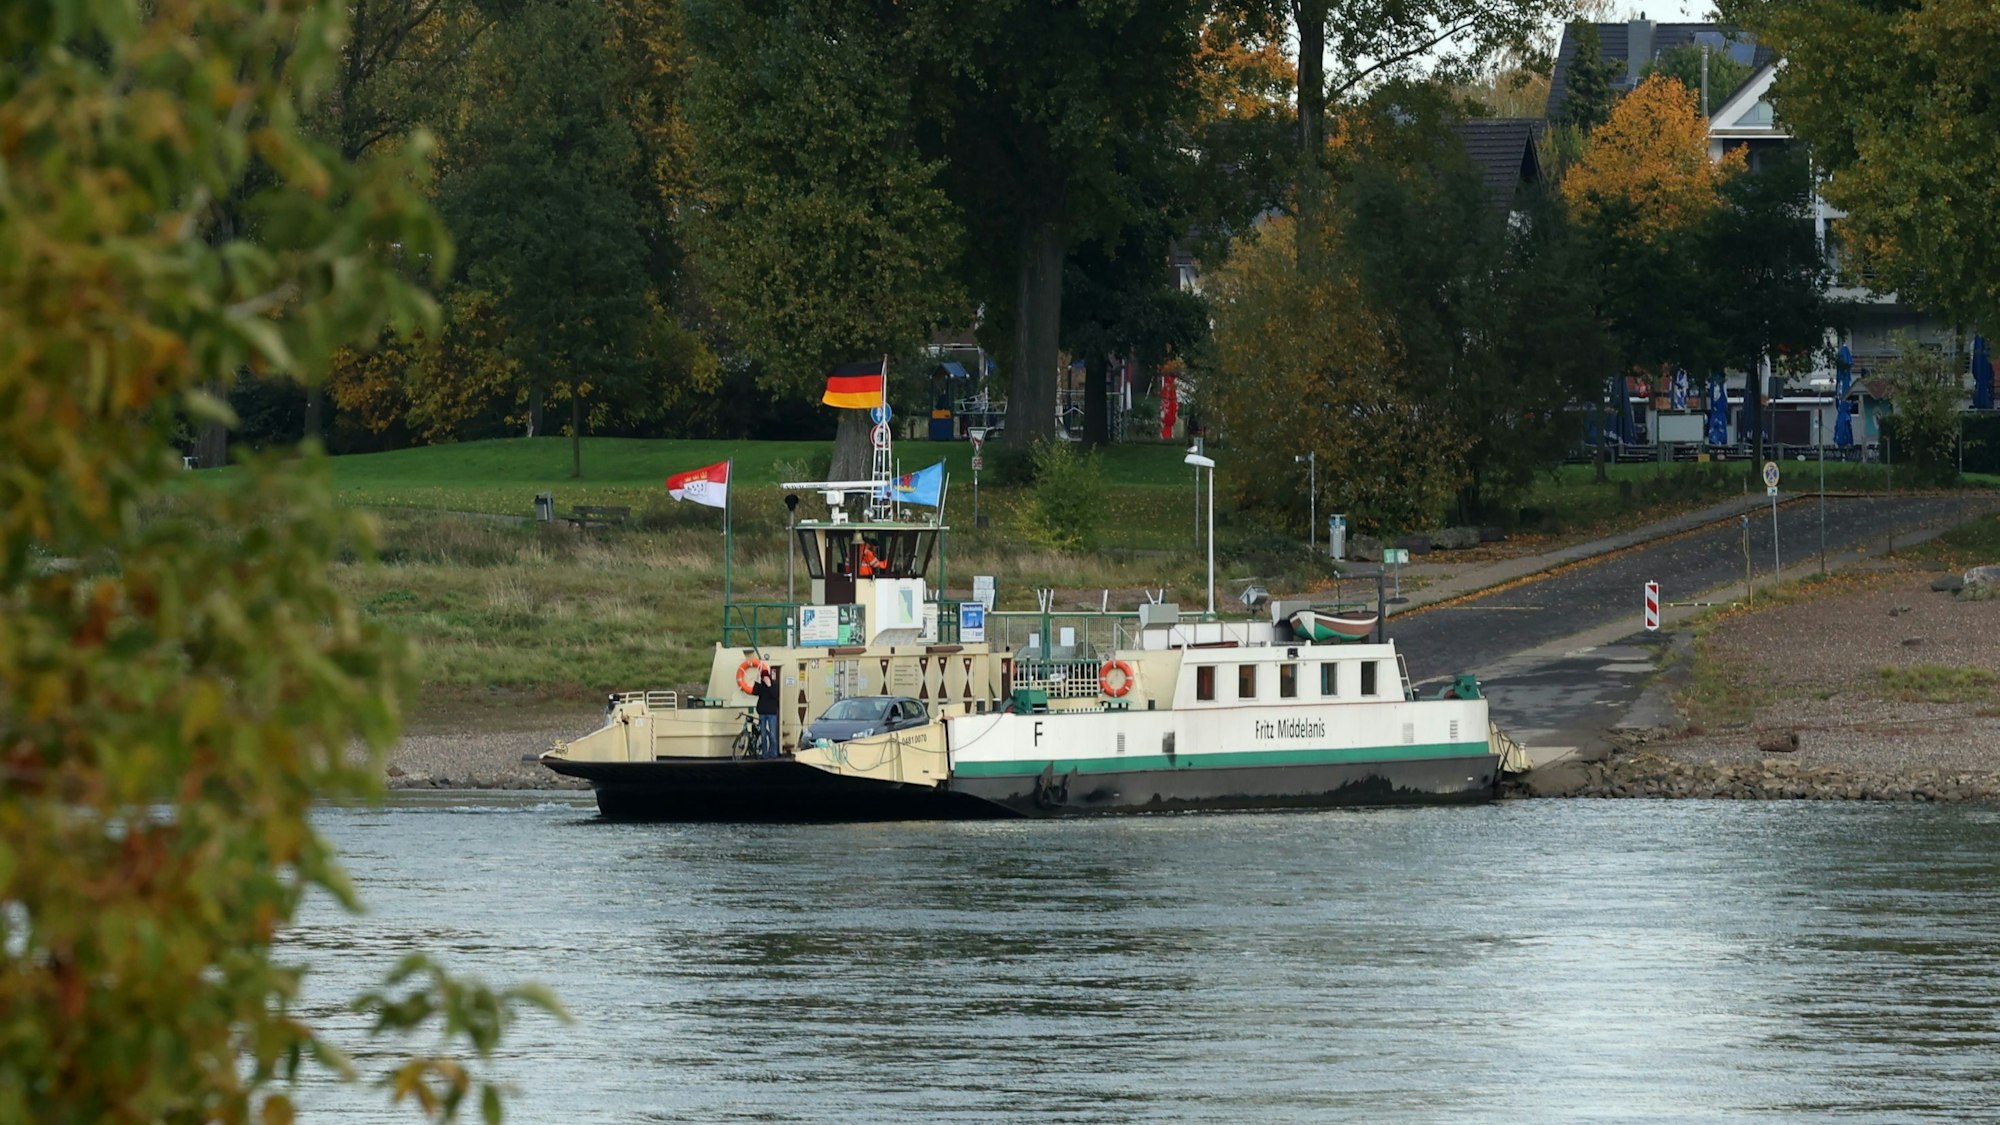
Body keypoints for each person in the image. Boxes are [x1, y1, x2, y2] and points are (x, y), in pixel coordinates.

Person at [750, 664, 781, 759]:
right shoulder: (761, 687)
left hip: (772, 713)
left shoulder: (774, 685)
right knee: (763, 735)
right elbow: (754, 692)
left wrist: (769, 685)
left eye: (766, 677)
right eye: (763, 678)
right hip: (762, 713)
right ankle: (764, 754)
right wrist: (756, 680)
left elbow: (775, 695)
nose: (765, 679)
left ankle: (774, 753)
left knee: (772, 735)